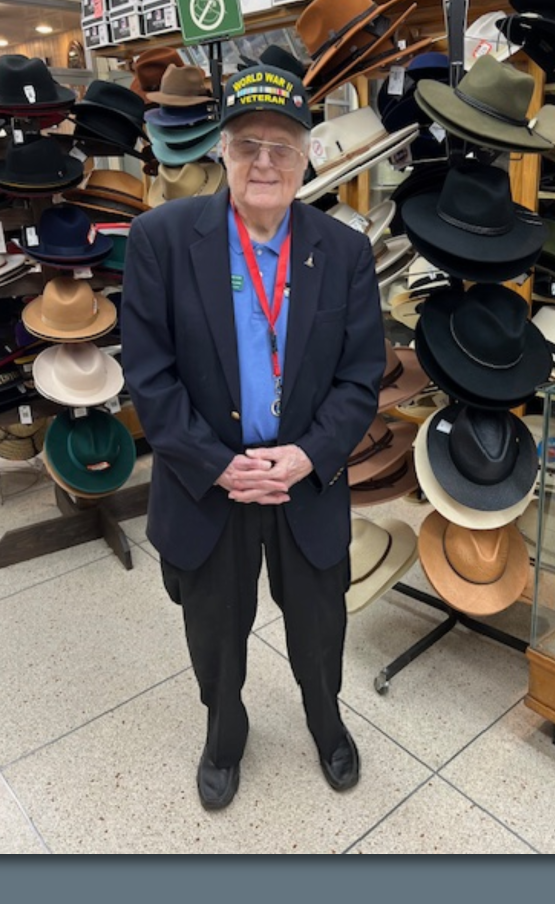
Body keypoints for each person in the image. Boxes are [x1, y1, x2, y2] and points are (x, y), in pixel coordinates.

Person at [120, 63, 384, 811]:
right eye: (247, 145)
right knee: (214, 635)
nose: (264, 162)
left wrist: (306, 455)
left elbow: (361, 377)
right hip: (209, 486)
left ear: (307, 155)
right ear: (222, 151)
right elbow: (149, 375)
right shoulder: (161, 239)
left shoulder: (343, 250)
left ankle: (327, 723)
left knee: (320, 629)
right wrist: (218, 464)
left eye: (282, 147)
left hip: (305, 483)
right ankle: (223, 735)